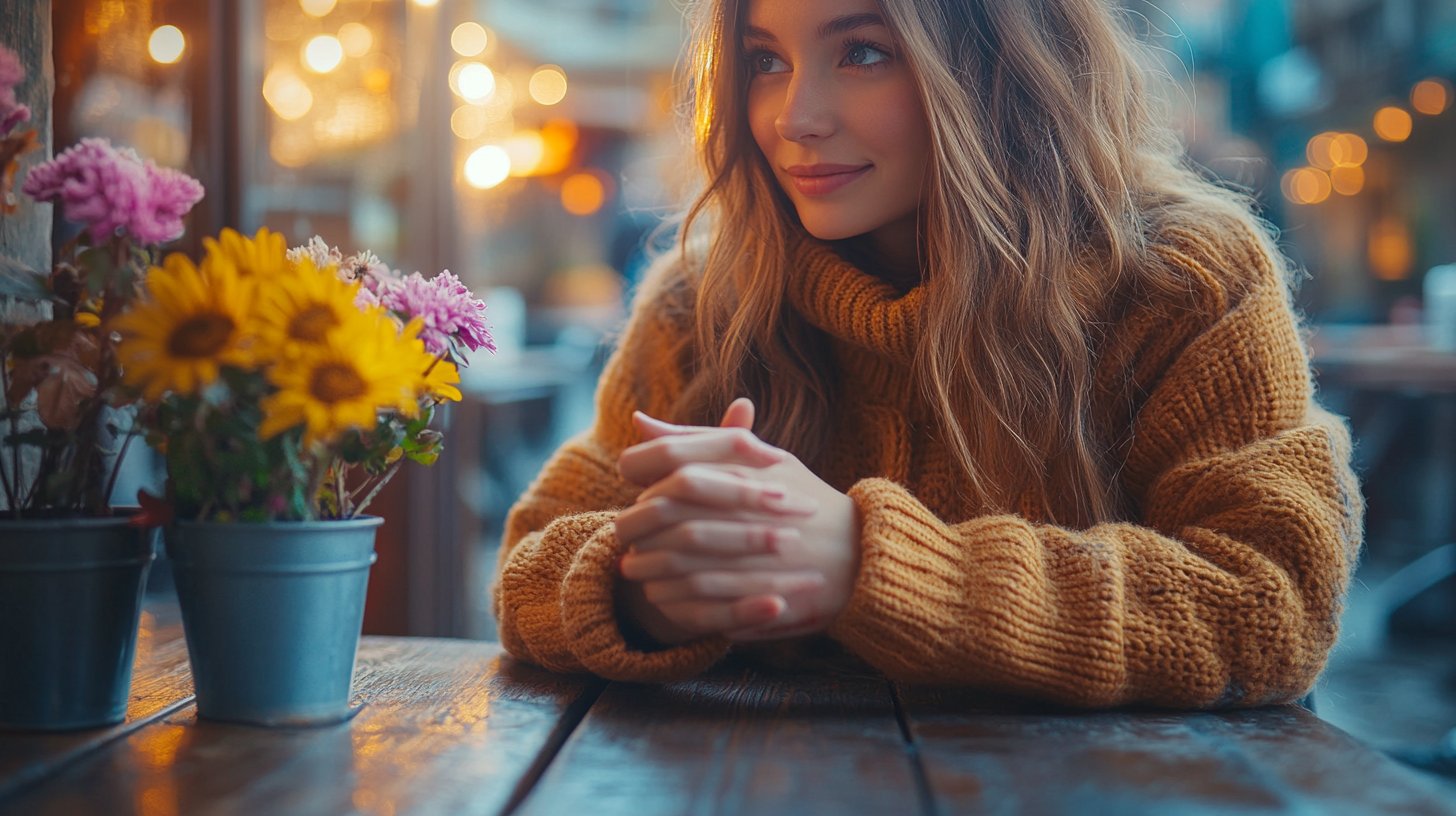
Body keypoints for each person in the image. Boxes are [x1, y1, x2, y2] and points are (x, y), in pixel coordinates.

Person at [493, 0, 1363, 708]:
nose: (794, 118)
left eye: (863, 51)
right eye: (764, 60)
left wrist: (866, 562)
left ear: (999, 62)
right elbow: (527, 565)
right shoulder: (707, 303)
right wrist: (641, 589)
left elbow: (1273, 600)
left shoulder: (1182, 281)